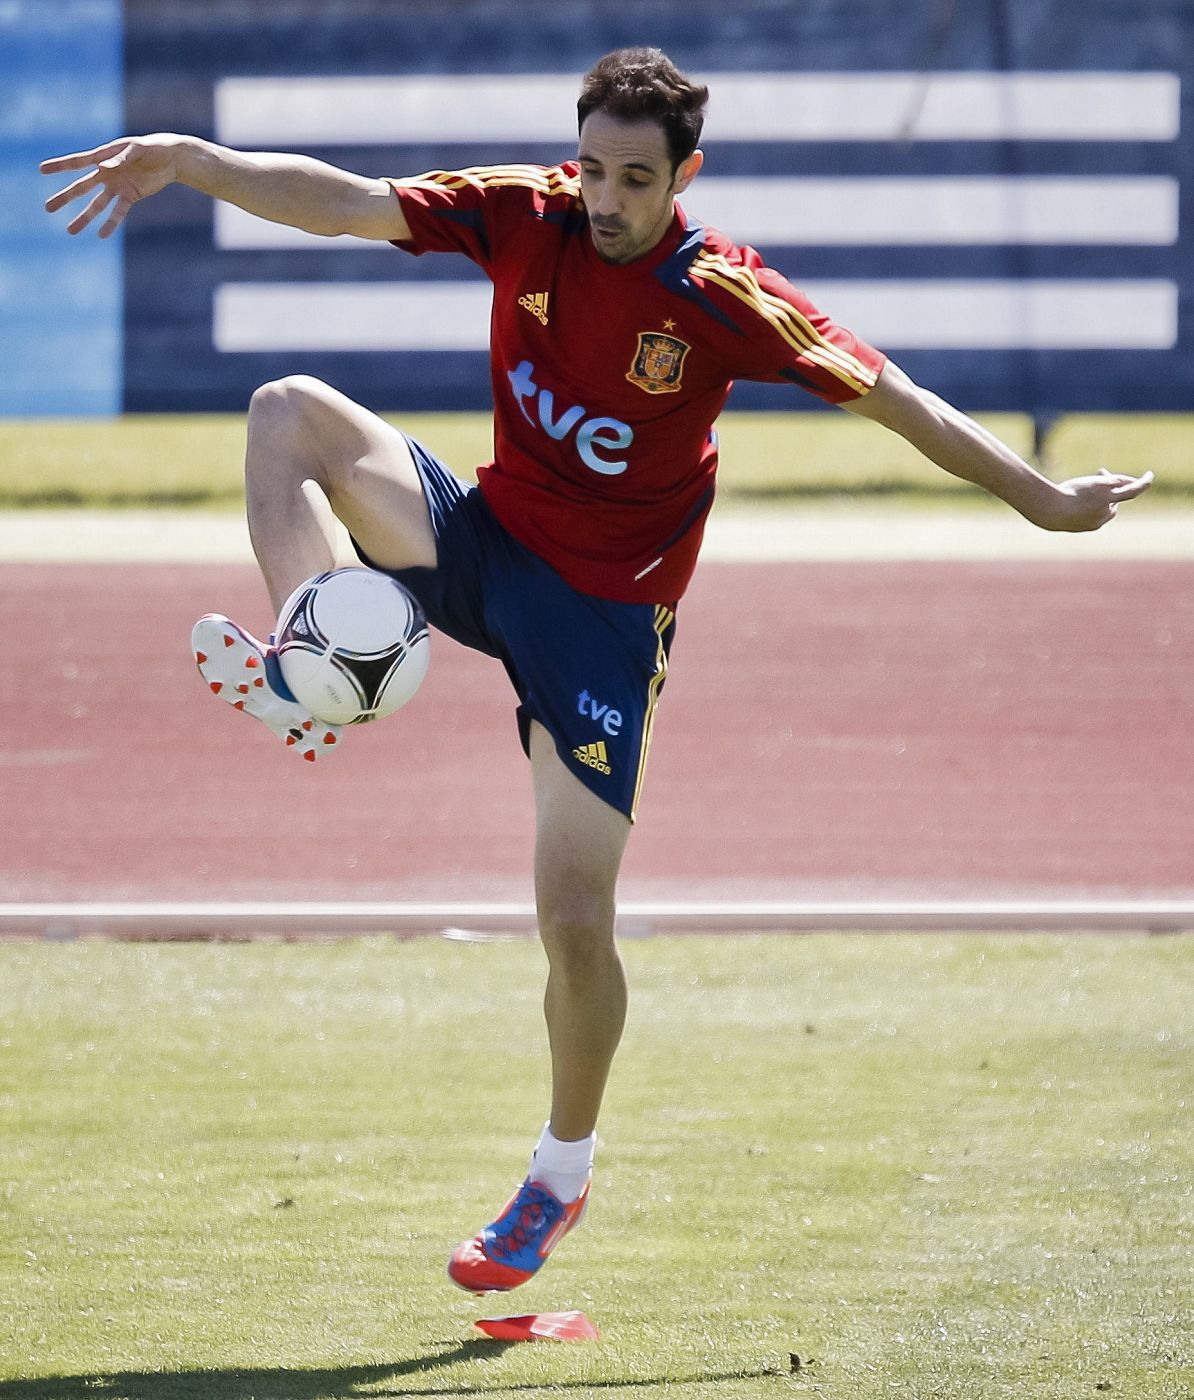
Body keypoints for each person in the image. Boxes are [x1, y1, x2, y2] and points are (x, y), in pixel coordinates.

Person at [42, 47, 1153, 1294]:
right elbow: (347, 201)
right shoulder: (527, 212)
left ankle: (558, 1174)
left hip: (603, 624)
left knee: (574, 920)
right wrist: (193, 161)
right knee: (285, 409)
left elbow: (898, 400)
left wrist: (1040, 497)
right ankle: (314, 661)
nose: (607, 197)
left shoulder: (726, 293)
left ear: (685, 174)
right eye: (593, 168)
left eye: (635, 177)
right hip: (484, 540)